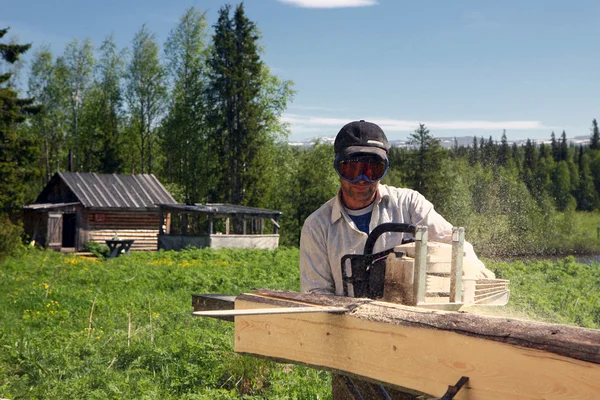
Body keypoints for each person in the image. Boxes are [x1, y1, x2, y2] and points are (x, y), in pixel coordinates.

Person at [300, 120, 494, 296]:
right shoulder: (317, 226)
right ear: (338, 168)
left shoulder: (410, 204)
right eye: (352, 169)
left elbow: (455, 244)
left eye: (372, 170)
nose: (362, 179)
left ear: (384, 169)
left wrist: (475, 272)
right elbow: (317, 293)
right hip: (349, 327)